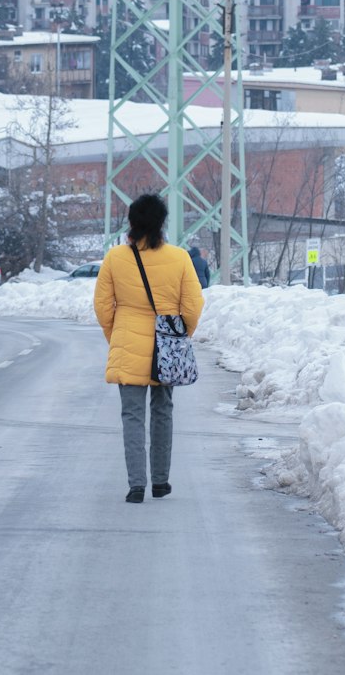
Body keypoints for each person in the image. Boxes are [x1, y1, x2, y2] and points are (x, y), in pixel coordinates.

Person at [94, 193, 204, 504]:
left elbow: (102, 306)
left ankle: (136, 485)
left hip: (128, 340)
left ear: (131, 222)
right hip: (165, 348)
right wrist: (178, 337)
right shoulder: (180, 258)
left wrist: (115, 335)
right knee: (163, 412)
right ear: (162, 223)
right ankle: (160, 481)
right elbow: (193, 306)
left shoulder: (115, 258)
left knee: (132, 415)